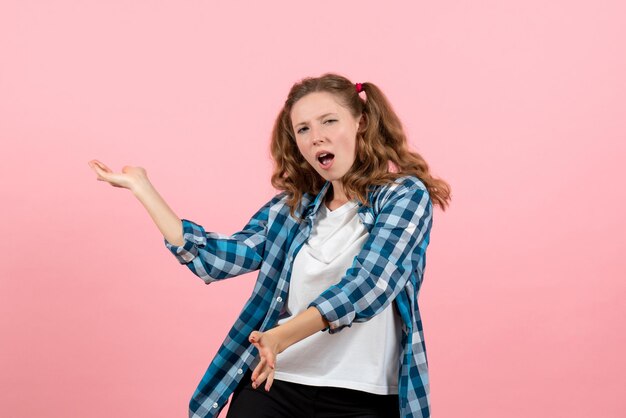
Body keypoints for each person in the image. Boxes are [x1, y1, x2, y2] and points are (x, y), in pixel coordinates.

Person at [88, 73, 451, 418]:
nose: (316, 137)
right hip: (276, 385)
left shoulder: (403, 195)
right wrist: (143, 189)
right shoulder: (290, 209)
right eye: (303, 129)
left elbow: (370, 284)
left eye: (329, 121)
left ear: (361, 122)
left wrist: (281, 336)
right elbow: (215, 260)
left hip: (362, 394)